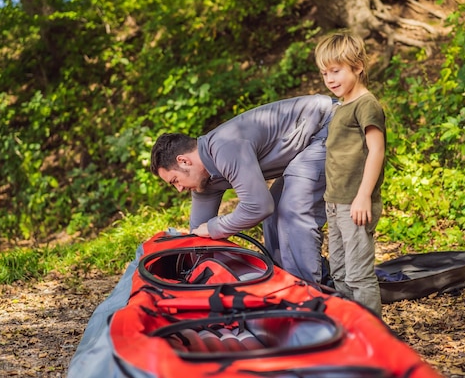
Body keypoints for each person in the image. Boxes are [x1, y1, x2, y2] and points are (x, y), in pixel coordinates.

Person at [150, 95, 337, 284]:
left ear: (184, 161)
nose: (179, 189)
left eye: (175, 180)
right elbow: (197, 235)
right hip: (304, 148)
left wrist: (216, 227)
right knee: (275, 217)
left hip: (329, 125)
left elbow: (259, 206)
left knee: (291, 208)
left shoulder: (225, 147)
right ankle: (287, 283)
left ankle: (309, 292)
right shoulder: (204, 180)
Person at [314, 30, 386, 316]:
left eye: (336, 71)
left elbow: (376, 151)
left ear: (358, 67)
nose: (330, 79)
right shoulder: (342, 106)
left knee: (358, 274)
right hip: (335, 203)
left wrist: (363, 196)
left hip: (355, 204)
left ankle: (375, 335)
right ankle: (353, 329)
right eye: (324, 73)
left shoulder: (366, 105)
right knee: (341, 273)